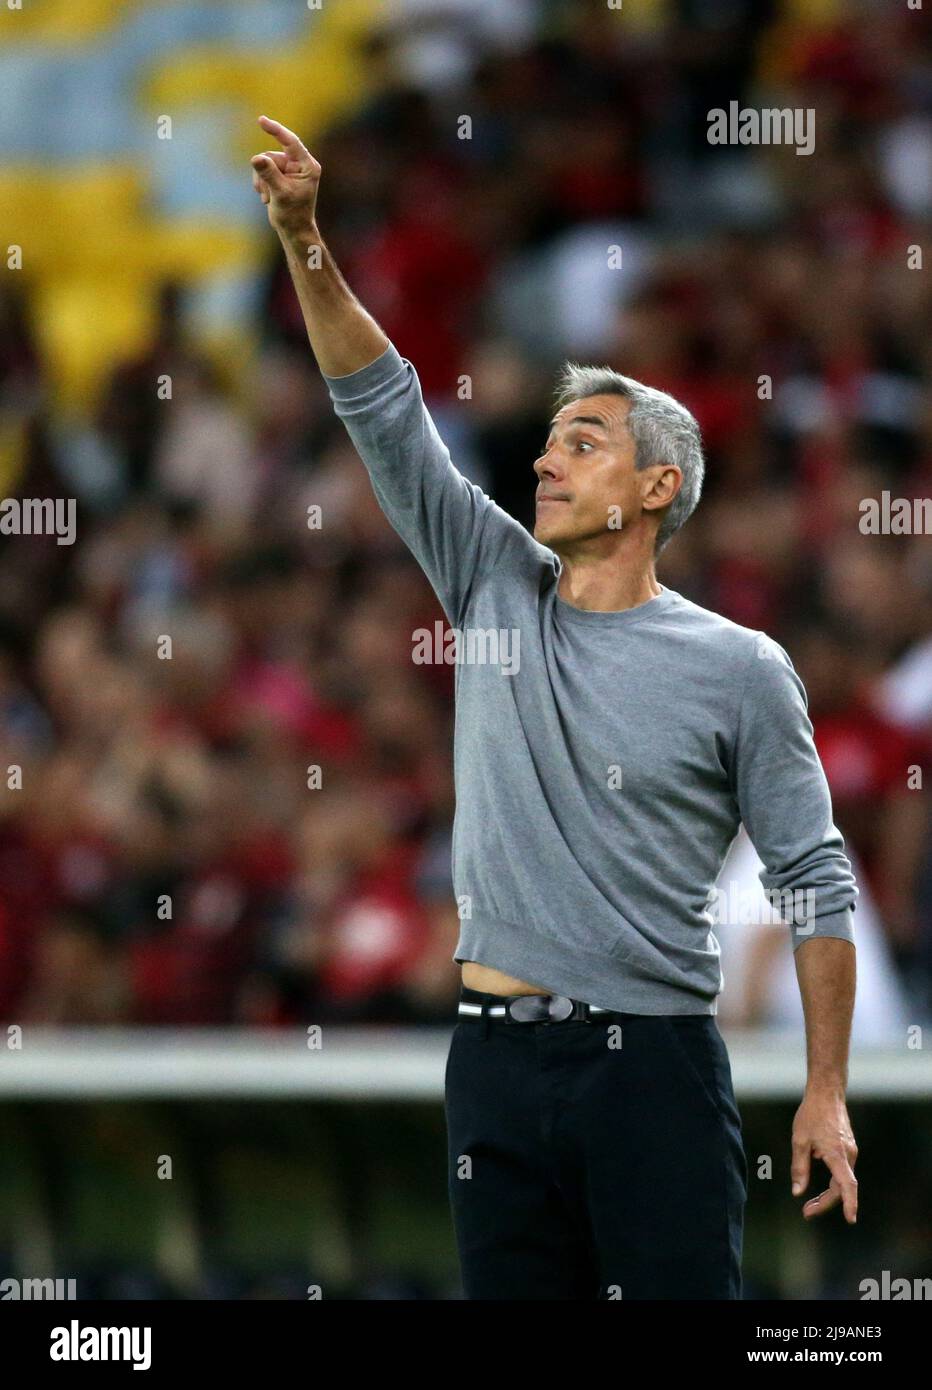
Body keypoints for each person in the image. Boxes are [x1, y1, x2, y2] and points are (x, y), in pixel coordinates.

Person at [250, 116, 860, 1300]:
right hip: (490, 1060)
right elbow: (382, 408)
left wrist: (824, 1087)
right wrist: (305, 240)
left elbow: (812, 878)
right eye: (544, 442)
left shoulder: (738, 665)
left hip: (652, 1068)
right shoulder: (487, 578)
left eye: (581, 443)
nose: (544, 462)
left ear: (653, 487)